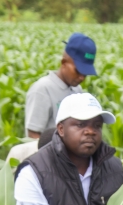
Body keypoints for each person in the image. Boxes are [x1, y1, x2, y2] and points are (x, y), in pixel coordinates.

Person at [9, 33, 98, 167]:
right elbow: (33, 136)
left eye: (85, 74)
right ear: (64, 63)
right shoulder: (42, 89)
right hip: (47, 164)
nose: (82, 78)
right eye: (78, 71)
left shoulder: (77, 91)